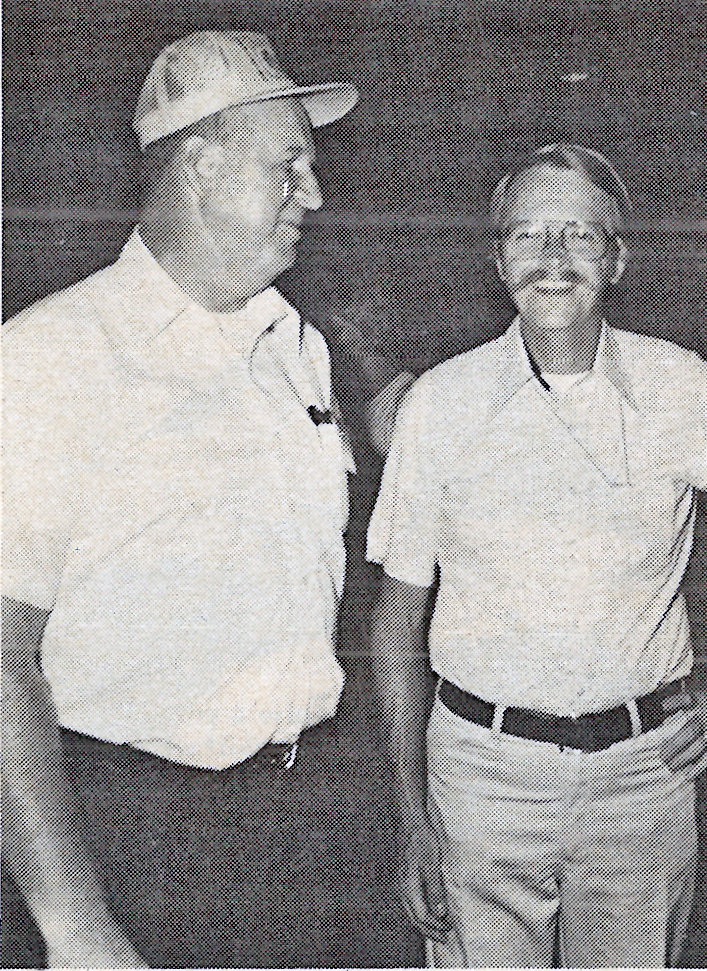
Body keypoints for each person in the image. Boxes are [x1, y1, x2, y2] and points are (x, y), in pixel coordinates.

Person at [2, 30, 360, 968]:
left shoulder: (299, 348)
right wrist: (75, 925)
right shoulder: (52, 357)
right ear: (200, 166)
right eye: (289, 168)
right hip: (130, 836)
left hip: (299, 823)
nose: (313, 196)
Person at [367, 143, 707, 967]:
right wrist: (413, 815)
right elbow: (394, 622)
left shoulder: (682, 387)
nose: (552, 259)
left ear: (617, 257)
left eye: (579, 236)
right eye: (526, 236)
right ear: (497, 258)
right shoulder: (439, 404)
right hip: (479, 781)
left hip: (643, 777)